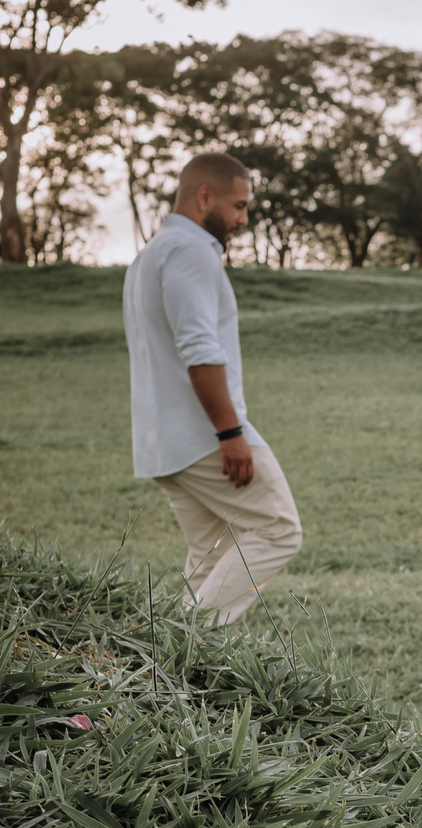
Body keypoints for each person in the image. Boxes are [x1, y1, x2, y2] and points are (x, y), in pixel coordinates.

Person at [123, 151, 303, 624]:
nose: (243, 219)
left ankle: (165, 661)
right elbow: (199, 349)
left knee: (212, 554)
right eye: (238, 206)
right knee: (280, 531)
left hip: (164, 443)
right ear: (205, 197)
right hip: (205, 437)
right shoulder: (190, 251)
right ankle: (186, 647)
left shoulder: (148, 256)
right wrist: (230, 433)